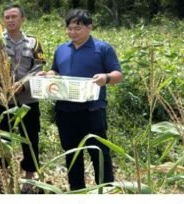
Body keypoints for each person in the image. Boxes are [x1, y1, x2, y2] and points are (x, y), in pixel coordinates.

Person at [40, 8, 122, 191]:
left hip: (92, 109)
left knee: (99, 152)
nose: (72, 32)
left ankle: (106, 188)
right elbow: (56, 70)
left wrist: (105, 78)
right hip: (65, 109)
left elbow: (118, 75)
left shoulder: (103, 49)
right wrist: (48, 74)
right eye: (69, 28)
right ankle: (77, 189)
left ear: (89, 27)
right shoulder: (61, 49)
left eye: (77, 28)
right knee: (72, 153)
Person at [1, 4, 45, 193]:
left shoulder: (34, 43)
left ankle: (29, 176)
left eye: (14, 16)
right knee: (2, 138)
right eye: (7, 17)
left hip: (28, 100)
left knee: (30, 137)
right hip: (3, 100)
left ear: (22, 19)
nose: (10, 20)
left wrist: (22, 84)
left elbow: (39, 67)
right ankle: (4, 174)